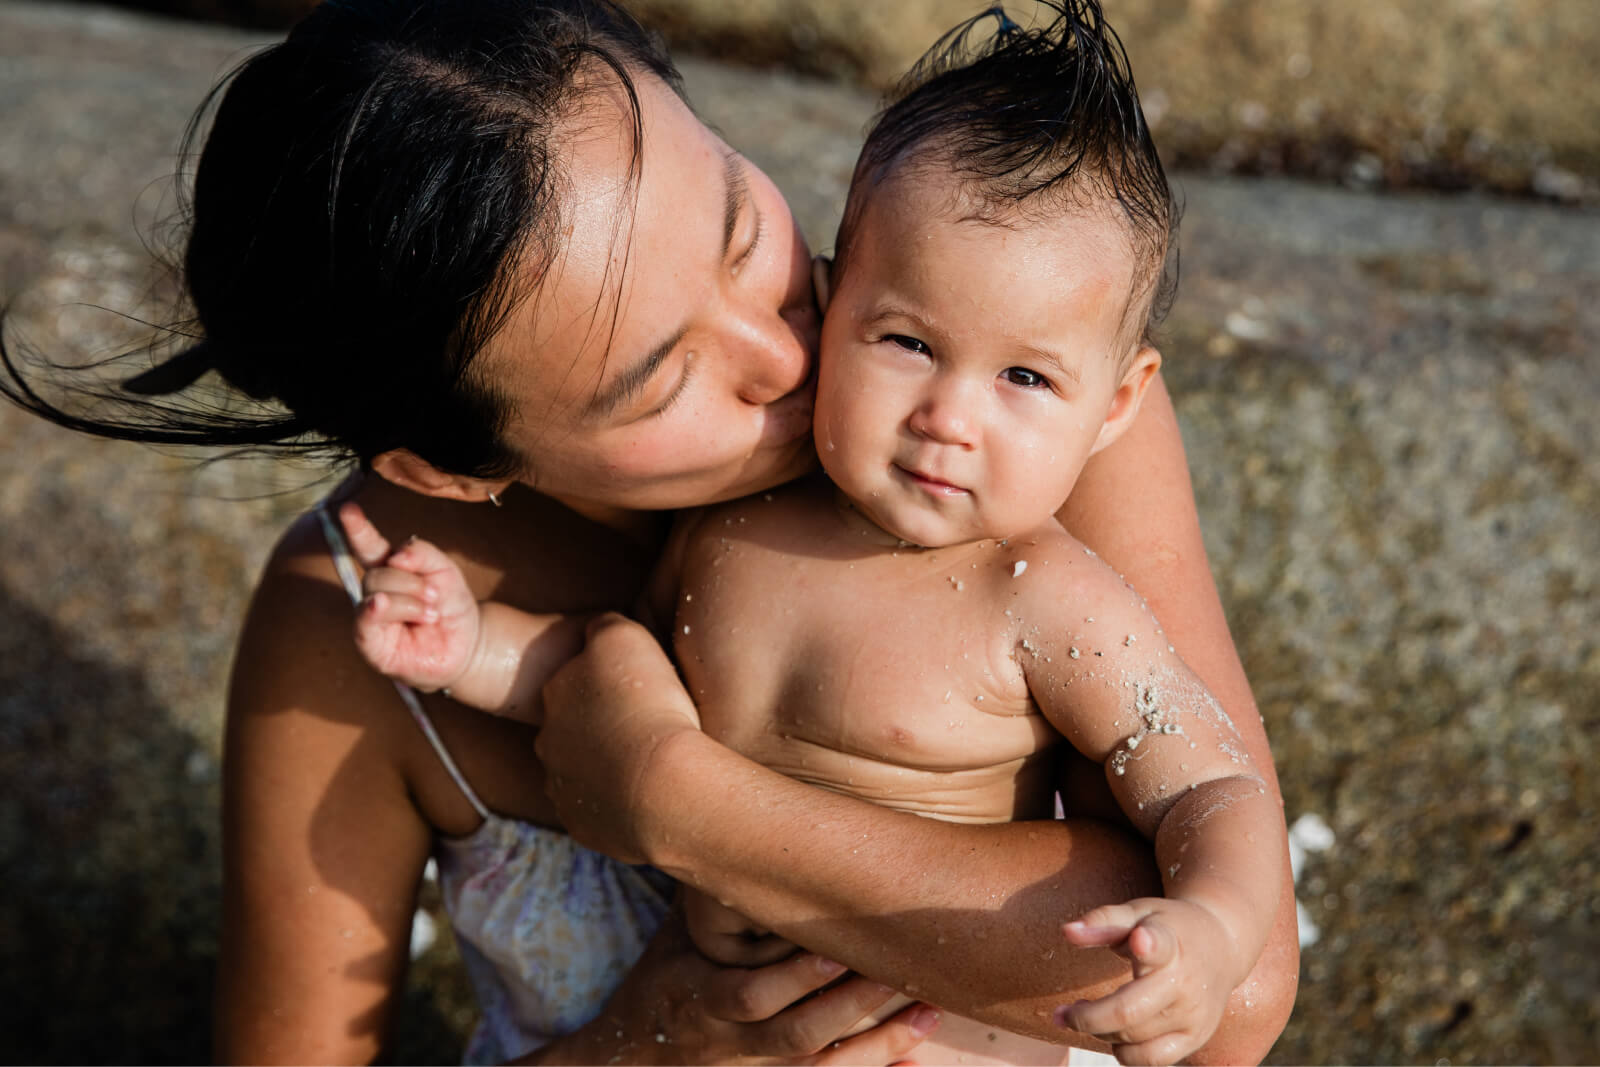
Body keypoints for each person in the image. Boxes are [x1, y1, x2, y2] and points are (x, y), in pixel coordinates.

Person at [0, 0, 1298, 1063]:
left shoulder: (1006, 367)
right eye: (662, 378)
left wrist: (685, 807)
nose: (786, 348)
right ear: (451, 469)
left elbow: (1229, 1004)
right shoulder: (360, 626)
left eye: (743, 230)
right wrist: (656, 1038)